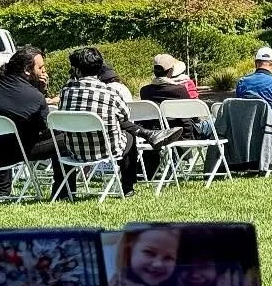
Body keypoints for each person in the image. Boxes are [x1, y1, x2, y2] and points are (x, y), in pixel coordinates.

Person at [57, 47, 182, 196]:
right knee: (129, 136)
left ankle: (150, 134)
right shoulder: (110, 93)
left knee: (118, 123)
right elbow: (126, 115)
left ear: (76, 70)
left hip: (74, 151)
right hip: (106, 149)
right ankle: (127, 188)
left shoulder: (65, 92)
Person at [0, 46, 67, 200]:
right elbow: (45, 128)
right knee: (64, 139)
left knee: (6, 134)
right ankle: (62, 194)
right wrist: (41, 91)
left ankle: (1, 192)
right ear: (27, 70)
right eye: (41, 67)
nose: (44, 71)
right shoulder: (34, 97)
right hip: (6, 155)